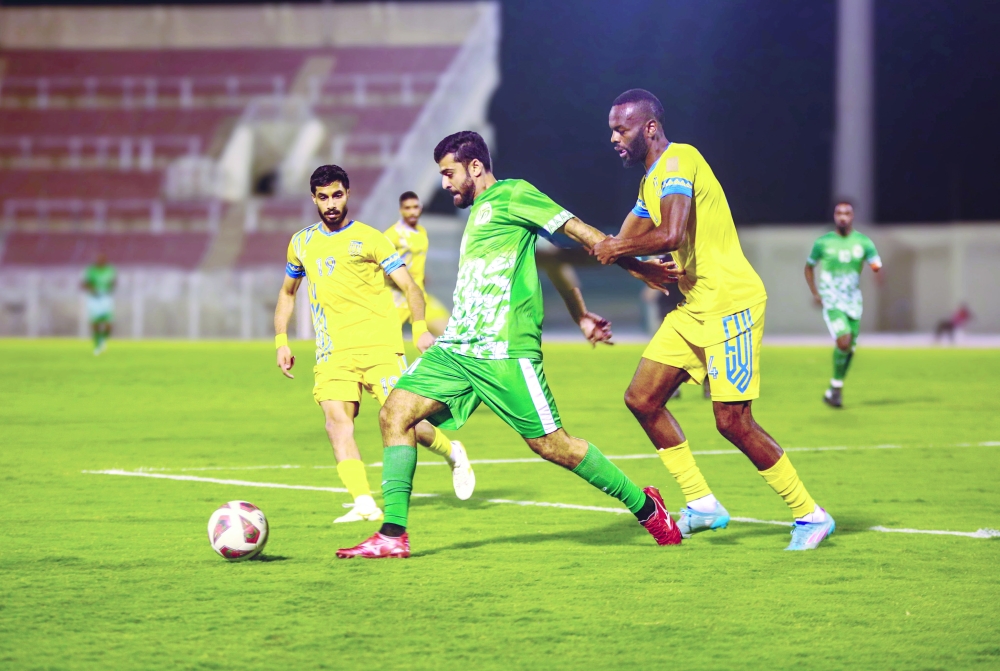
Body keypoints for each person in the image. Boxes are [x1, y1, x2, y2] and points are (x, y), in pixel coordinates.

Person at [336, 131, 684, 558]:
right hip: (459, 348)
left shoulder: (514, 193)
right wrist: (580, 313)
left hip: (504, 353)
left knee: (554, 446)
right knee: (394, 413)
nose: (444, 184)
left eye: (449, 174)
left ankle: (646, 506)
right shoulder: (481, 212)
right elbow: (548, 257)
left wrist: (636, 267)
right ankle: (392, 535)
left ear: (475, 167)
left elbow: (577, 232)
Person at [592, 89, 834, 550]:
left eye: (621, 129)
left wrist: (618, 248)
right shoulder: (650, 182)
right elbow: (620, 241)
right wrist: (623, 255)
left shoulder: (680, 162)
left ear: (650, 128)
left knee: (732, 421)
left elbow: (670, 233)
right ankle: (702, 505)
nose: (613, 138)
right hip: (694, 308)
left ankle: (810, 514)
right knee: (642, 399)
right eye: (611, 130)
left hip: (731, 304)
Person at [273, 165, 475, 524]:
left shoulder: (370, 239)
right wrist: (281, 341)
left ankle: (452, 451)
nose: (331, 203)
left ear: (347, 194)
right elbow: (288, 293)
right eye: (323, 197)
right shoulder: (301, 242)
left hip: (379, 348)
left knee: (408, 423)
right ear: (313, 199)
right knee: (337, 424)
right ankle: (364, 502)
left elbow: (410, 286)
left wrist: (418, 328)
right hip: (333, 353)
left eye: (337, 195)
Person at [805, 200, 882, 408]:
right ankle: (836, 390)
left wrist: (876, 269)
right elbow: (809, 267)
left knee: (849, 349)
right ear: (834, 216)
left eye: (847, 213)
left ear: (853, 216)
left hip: (853, 301)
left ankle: (834, 390)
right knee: (844, 341)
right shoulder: (823, 243)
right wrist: (816, 293)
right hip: (832, 300)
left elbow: (875, 262)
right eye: (839, 212)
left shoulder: (863, 242)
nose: (843, 216)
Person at [384, 192, 453, 336]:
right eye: (407, 208)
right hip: (394, 297)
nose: (412, 212)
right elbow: (381, 269)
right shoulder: (392, 236)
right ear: (401, 210)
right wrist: (403, 278)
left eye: (415, 207)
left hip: (418, 296)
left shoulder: (421, 233)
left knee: (448, 333)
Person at [81, 252, 116, 355]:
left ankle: (103, 340)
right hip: (94, 299)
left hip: (106, 298)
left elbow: (113, 281)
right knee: (95, 323)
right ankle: (97, 345)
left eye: (103, 259)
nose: (101, 261)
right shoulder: (91, 271)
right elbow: (84, 284)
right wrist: (92, 290)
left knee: (109, 324)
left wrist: (111, 287)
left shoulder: (110, 270)